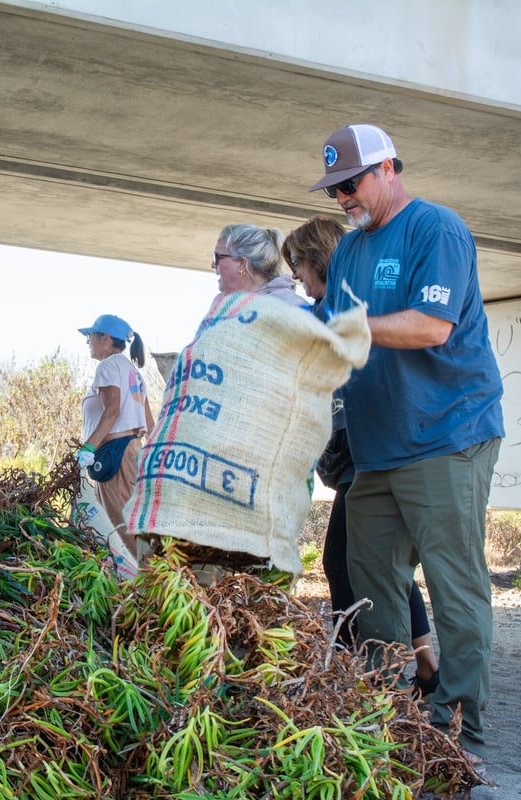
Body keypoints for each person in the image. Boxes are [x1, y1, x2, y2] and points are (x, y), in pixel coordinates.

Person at [309, 124, 504, 767]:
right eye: (334, 188)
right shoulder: (347, 253)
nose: (342, 198)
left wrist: (350, 326)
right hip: (377, 450)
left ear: (389, 168)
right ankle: (392, 720)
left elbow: (429, 325)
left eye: (351, 183)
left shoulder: (435, 229)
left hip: (447, 437)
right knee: (368, 587)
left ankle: (459, 731)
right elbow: (336, 341)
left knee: (455, 588)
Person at [284, 216, 439, 695]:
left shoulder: (337, 310)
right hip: (366, 457)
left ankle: (351, 671)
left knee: (343, 563)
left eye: (299, 266)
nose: (297, 278)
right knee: (381, 566)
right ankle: (427, 668)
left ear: (316, 258)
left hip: (369, 457)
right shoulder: (341, 305)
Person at [76, 314, 155, 558]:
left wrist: (88, 448)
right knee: (135, 527)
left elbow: (112, 411)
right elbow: (149, 422)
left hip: (116, 456)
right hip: (132, 452)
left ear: (106, 338)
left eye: (91, 336)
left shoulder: (108, 366)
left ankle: (147, 588)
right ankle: (149, 584)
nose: (88, 341)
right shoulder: (132, 372)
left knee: (122, 532)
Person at [210, 223, 308, 309]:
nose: (213, 265)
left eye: (217, 257)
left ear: (242, 263)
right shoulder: (221, 304)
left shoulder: (291, 306)